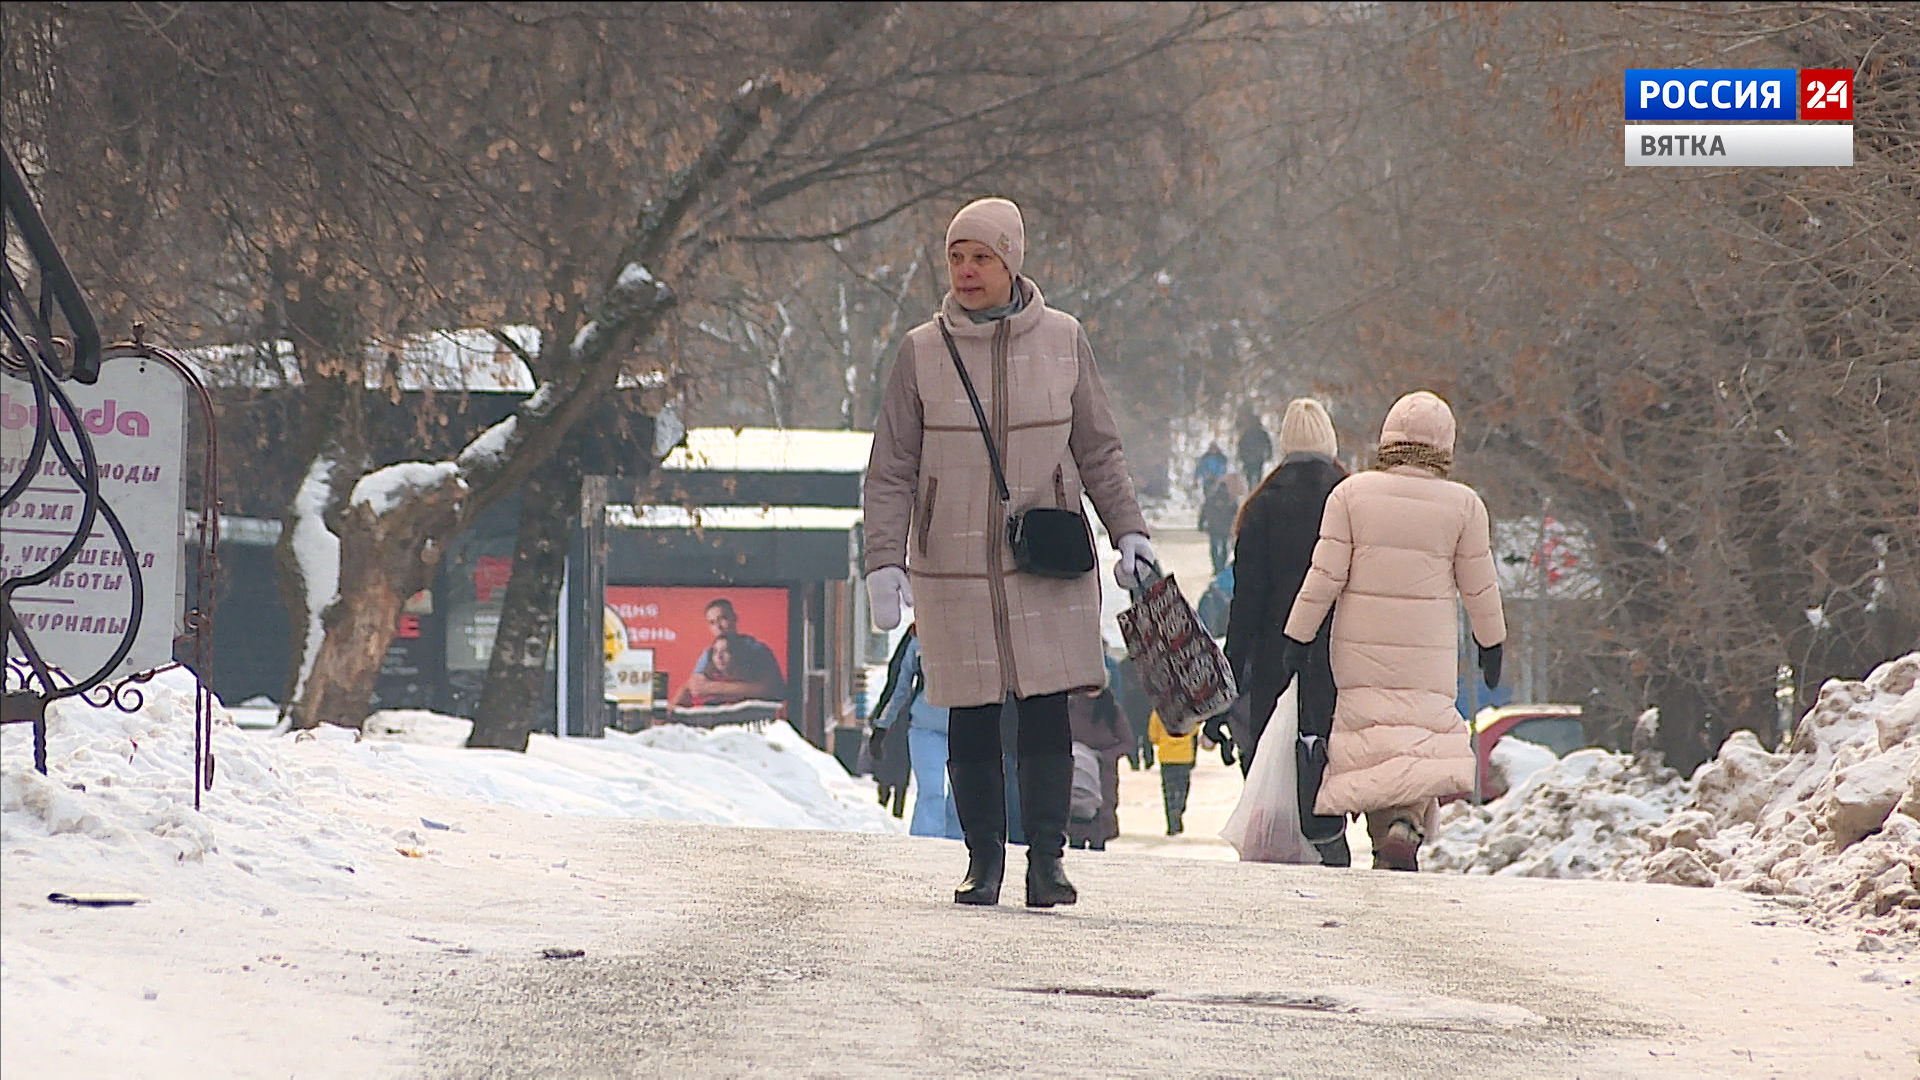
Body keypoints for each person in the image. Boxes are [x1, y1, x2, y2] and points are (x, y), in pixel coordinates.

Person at [863, 195, 1156, 908]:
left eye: (981, 257)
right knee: (970, 712)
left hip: (1045, 559)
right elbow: (892, 466)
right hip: (952, 563)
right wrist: (883, 560)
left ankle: (1049, 861)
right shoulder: (921, 352)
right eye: (956, 256)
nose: (966, 270)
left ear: (1012, 262)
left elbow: (1098, 449)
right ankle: (983, 860)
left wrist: (1130, 532)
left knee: (1048, 711)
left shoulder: (1062, 340)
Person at [1280, 391, 1506, 872]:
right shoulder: (1464, 506)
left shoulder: (1352, 495)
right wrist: (1492, 643)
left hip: (1360, 653)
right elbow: (1480, 586)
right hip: (1429, 656)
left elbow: (1324, 576)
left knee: (1372, 741)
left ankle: (1388, 832)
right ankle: (1406, 824)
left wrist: (1297, 636)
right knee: (1415, 742)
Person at [1219, 398, 1351, 867]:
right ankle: (1332, 846)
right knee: (1328, 772)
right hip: (1342, 665)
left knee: (1278, 775)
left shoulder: (1263, 506)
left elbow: (1246, 605)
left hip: (1276, 667)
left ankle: (1284, 859)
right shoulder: (1352, 499)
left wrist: (1227, 685)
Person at [868, 625, 964, 840]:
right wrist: (882, 726)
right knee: (931, 791)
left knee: (961, 797)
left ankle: (958, 850)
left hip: (969, 728)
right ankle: (926, 847)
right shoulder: (919, 634)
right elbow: (898, 683)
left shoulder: (977, 630)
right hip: (926, 727)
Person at [1066, 686, 1131, 849]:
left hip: (1104, 774)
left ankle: (1098, 848)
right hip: (1076, 769)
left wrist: (1104, 757)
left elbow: (1127, 742)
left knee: (1101, 818)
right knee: (1076, 809)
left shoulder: (1112, 711)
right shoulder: (1071, 707)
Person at [685, 598, 785, 704]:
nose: (718, 627)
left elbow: (770, 689)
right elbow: (694, 686)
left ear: (734, 618)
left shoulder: (757, 649)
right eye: (712, 622)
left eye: (722, 618)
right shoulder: (708, 654)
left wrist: (712, 687)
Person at [1148, 709, 1196, 835]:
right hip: (1184, 756)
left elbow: (1153, 736)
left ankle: (1172, 821)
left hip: (1166, 756)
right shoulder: (1188, 710)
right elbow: (1194, 729)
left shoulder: (1158, 711)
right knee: (1182, 788)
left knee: (1168, 790)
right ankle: (1179, 810)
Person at [1198, 476, 1238, 574]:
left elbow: (1204, 512)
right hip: (1225, 528)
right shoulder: (1231, 500)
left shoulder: (1211, 499)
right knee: (1224, 547)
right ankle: (1221, 566)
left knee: (1215, 548)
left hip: (1214, 527)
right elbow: (1236, 513)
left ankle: (1217, 567)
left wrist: (1201, 524)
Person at [1237, 407, 1273, 487]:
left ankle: (1252, 491)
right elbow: (1268, 444)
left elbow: (1241, 445)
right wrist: (1269, 454)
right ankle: (1256, 491)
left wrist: (1241, 456)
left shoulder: (1247, 433)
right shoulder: (1261, 433)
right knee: (1257, 476)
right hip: (1257, 457)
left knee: (1251, 477)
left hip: (1251, 458)